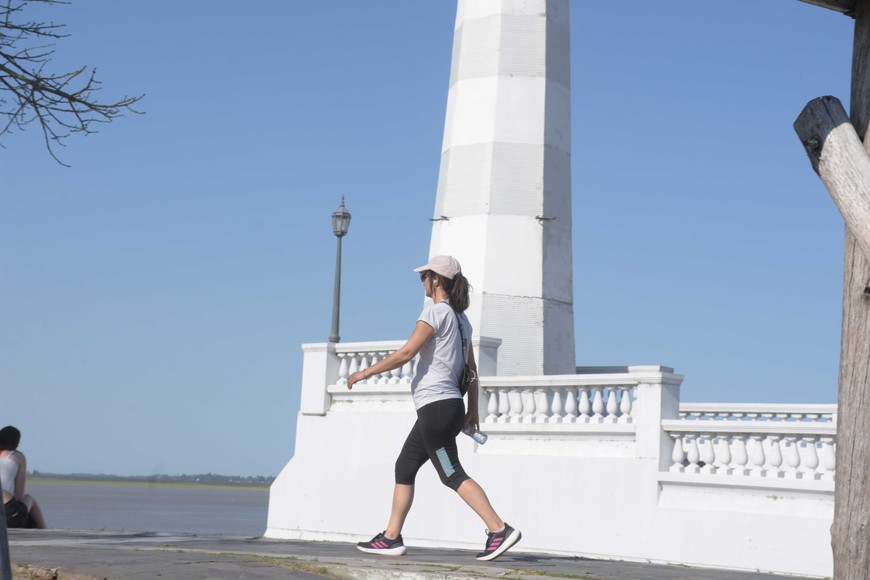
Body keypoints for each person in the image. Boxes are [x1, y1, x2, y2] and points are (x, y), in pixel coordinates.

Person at [347, 255, 521, 561]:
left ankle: (499, 529)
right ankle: (391, 537)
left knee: (451, 473)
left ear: (436, 279)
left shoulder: (436, 312)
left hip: (436, 408)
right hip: (448, 407)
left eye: (424, 277)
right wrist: (472, 410)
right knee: (405, 466)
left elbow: (406, 353)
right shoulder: (462, 321)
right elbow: (472, 371)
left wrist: (364, 373)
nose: (422, 282)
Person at [1, 425, 47, 529]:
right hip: (9, 515)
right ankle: (45, 530)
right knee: (29, 498)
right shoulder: (17, 457)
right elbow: (19, 496)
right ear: (16, 443)